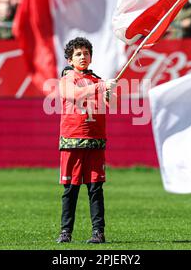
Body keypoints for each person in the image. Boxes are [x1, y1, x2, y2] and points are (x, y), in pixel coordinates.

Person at [56, 37, 117, 244]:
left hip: (95, 140)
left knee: (95, 189)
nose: (83, 57)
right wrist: (101, 87)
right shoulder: (66, 79)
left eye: (86, 53)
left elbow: (111, 105)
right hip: (72, 139)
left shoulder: (97, 80)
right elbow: (74, 95)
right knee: (70, 189)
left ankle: (98, 233)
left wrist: (111, 91)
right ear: (70, 59)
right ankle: (66, 232)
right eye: (78, 54)